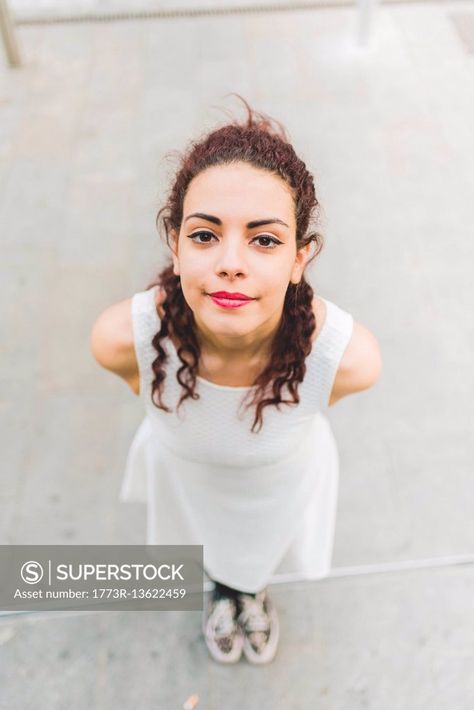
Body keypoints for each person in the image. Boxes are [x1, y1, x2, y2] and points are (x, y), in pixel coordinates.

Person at [90, 95, 382, 665]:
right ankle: (221, 591)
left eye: (264, 240)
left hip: (279, 487)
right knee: (206, 550)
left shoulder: (345, 359)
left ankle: (250, 589)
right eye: (204, 236)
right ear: (175, 246)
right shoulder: (122, 340)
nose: (231, 262)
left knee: (256, 555)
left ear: (300, 258)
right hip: (186, 483)